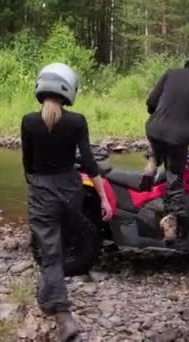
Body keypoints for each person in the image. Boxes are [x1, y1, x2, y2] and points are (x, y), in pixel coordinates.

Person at [21, 62, 113, 341]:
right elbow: (88, 162)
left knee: (50, 251)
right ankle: (47, 296)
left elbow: (28, 163)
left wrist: (36, 186)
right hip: (71, 190)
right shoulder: (77, 121)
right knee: (57, 245)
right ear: (69, 89)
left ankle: (63, 316)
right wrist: (103, 197)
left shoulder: (28, 121)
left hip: (42, 191)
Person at [140, 49, 189, 242]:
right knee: (174, 180)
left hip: (154, 128)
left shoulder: (170, 73)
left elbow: (150, 104)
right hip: (178, 136)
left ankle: (151, 163)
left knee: (158, 142)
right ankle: (170, 226)